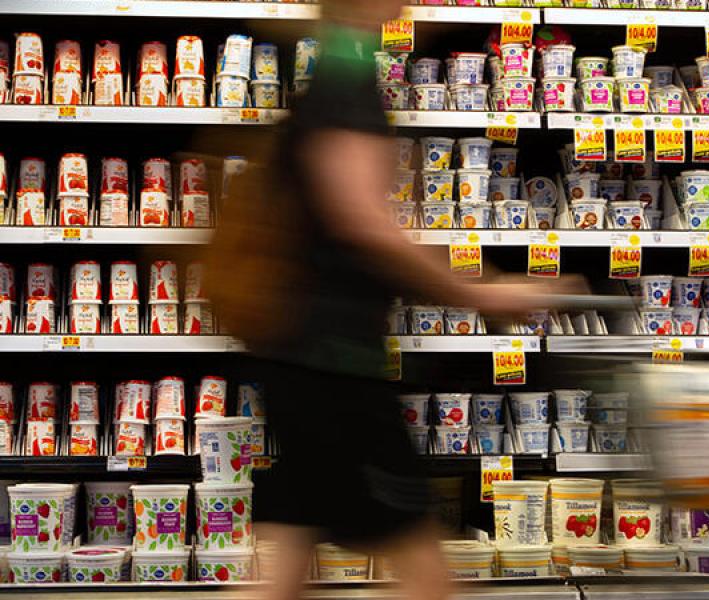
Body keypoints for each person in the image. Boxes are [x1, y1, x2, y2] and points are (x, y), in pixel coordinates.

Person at [206, 2, 584, 598]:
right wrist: (479, 293)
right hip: (337, 365)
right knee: (423, 570)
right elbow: (364, 223)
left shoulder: (335, 71)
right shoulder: (346, 82)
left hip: (299, 356)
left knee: (280, 574)